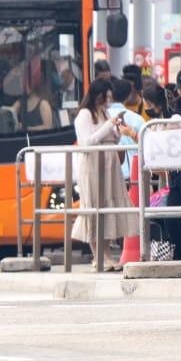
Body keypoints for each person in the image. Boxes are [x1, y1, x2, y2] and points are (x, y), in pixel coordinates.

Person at [73, 79, 131, 270]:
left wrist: (117, 128)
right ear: (98, 95)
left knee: (108, 208)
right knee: (94, 206)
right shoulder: (85, 114)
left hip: (109, 165)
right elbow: (87, 142)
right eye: (107, 97)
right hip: (93, 165)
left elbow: (111, 138)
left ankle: (106, 255)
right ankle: (98, 256)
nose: (109, 101)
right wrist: (108, 125)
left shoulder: (105, 112)